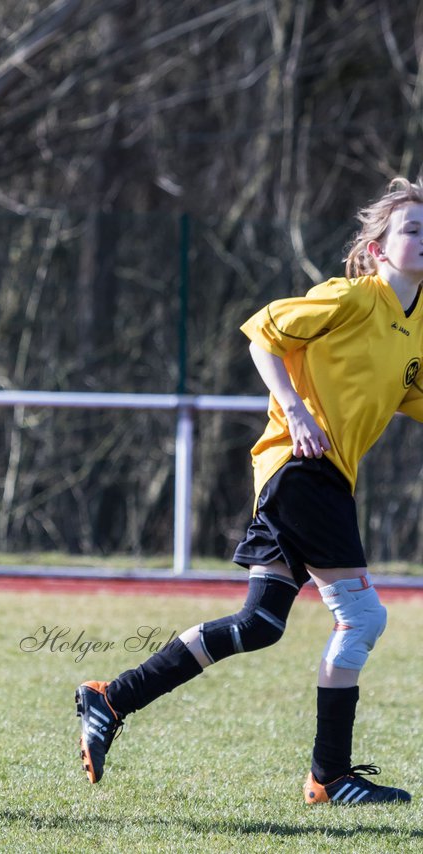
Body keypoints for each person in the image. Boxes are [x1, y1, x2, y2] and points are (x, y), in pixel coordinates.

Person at [77, 177, 423, 805]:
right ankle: (330, 775)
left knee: (260, 624)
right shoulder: (350, 298)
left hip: (320, 480)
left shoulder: (417, 327)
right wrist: (294, 408)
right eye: (413, 229)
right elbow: (262, 331)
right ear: (377, 249)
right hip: (300, 468)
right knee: (363, 616)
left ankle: (111, 698)